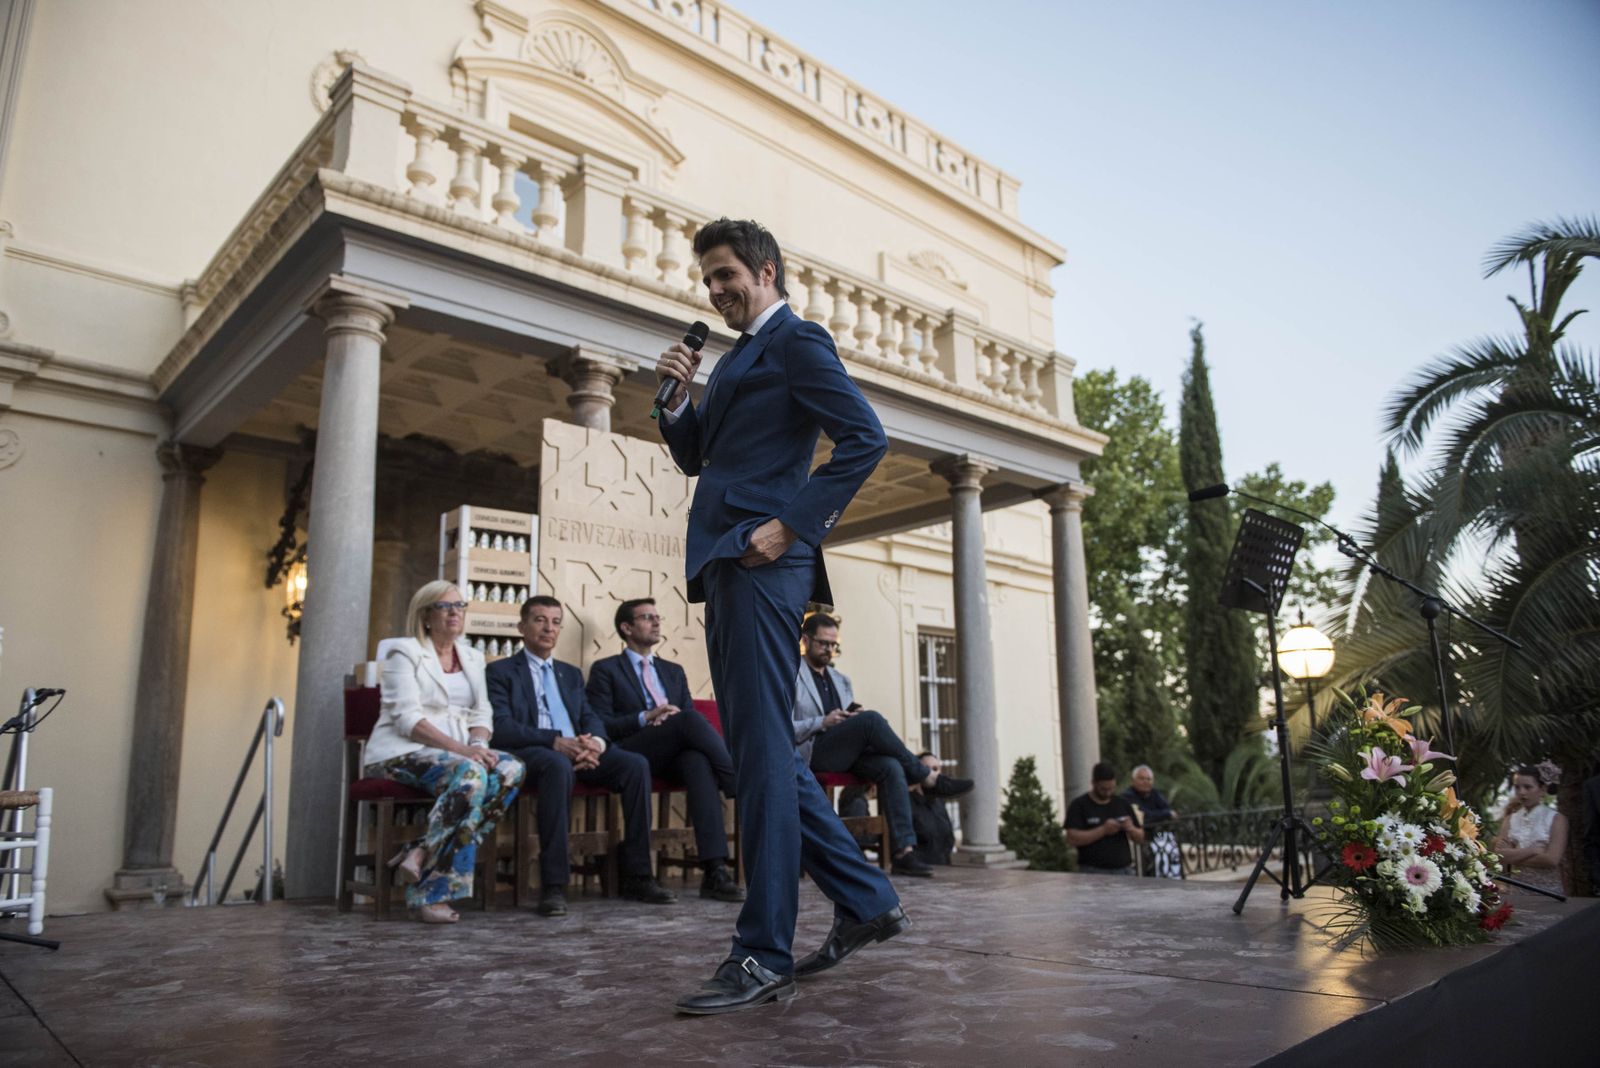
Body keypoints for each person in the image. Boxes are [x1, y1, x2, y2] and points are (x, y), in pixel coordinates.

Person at [655, 217, 906, 1015]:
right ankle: (866, 898)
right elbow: (704, 457)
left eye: (727, 274)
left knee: (761, 757)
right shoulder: (733, 361)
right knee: (762, 750)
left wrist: (793, 523)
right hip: (727, 561)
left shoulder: (799, 341)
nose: (717, 290)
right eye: (708, 280)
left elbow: (865, 439)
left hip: (765, 562)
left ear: (765, 270)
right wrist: (676, 400)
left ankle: (763, 953)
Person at [486, 595, 677, 917]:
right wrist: (556, 741)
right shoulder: (501, 672)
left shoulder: (570, 673)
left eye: (556, 621)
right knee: (558, 767)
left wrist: (596, 745)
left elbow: (590, 716)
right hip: (536, 753)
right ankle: (554, 885)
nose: (549, 628)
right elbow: (502, 728)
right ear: (522, 626)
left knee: (634, 765)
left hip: (578, 749)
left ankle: (639, 875)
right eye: (540, 620)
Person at [364, 581, 525, 924]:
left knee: (510, 769)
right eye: (445, 607)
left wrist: (479, 746)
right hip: (401, 752)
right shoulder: (404, 654)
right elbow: (408, 720)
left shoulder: (472, 656)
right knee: (471, 775)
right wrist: (464, 751)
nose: (455, 613)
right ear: (425, 616)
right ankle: (430, 895)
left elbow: (482, 713)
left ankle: (421, 849)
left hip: (458, 752)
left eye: (460, 606)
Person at [585, 597, 743, 902]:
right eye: (647, 617)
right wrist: (647, 716)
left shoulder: (673, 671)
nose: (656, 622)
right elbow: (602, 725)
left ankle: (714, 871)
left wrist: (672, 720)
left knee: (696, 760)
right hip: (631, 749)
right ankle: (737, 781)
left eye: (657, 617)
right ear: (626, 628)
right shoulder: (606, 670)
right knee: (688, 720)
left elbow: (687, 724)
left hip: (671, 750)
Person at [793, 614, 973, 878]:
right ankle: (925, 776)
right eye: (823, 643)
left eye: (833, 644)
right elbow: (784, 728)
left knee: (890, 766)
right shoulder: (791, 674)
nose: (829, 650)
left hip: (844, 752)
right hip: (812, 751)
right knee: (872, 721)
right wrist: (823, 721)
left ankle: (903, 853)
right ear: (806, 640)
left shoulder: (841, 679)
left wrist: (850, 718)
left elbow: (849, 722)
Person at [1492, 764, 1569, 895]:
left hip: (1549, 893)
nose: (1522, 792)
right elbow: (1499, 856)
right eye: (1517, 787)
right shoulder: (1510, 819)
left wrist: (1513, 854)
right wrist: (1533, 850)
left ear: (1542, 789)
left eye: (1528, 787)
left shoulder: (1557, 819)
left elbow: (1551, 860)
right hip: (1517, 892)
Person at [1064, 763, 1145, 875]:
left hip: (1123, 870)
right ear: (1093, 783)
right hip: (1092, 870)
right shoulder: (1079, 805)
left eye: (1111, 788)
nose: (1107, 792)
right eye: (1103, 789)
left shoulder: (1122, 804)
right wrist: (1103, 830)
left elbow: (1140, 837)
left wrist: (1131, 828)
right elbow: (1071, 838)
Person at [1123, 764, 1182, 879]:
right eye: (1141, 778)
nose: (1145, 782)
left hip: (1158, 834)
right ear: (1133, 780)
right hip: (1139, 838)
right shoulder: (1128, 796)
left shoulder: (1154, 794)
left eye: (1148, 779)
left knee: (1169, 847)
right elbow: (1144, 816)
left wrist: (1164, 814)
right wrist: (1165, 814)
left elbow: (1167, 809)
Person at [911, 752, 957, 867]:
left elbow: (949, 838)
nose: (931, 773)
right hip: (919, 873)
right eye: (926, 769)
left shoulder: (939, 801)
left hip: (944, 869)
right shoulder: (907, 803)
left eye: (935, 769)